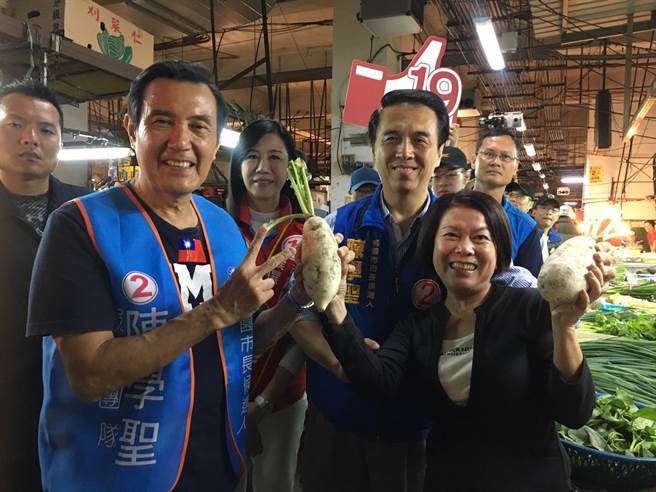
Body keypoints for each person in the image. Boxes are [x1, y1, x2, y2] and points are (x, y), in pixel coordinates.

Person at [26, 60, 313, 492]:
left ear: (215, 142)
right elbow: (89, 375)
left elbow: (238, 343)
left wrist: (296, 299)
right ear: (131, 130)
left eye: (199, 126)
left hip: (217, 467)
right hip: (115, 474)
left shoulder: (222, 229)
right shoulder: (80, 226)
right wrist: (215, 312)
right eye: (162, 121)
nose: (181, 141)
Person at [290, 89, 540, 492]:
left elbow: (513, 283)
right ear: (374, 149)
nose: (404, 151)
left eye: (420, 140)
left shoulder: (455, 232)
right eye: (391, 138)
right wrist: (341, 365)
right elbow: (298, 312)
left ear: (439, 152)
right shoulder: (335, 227)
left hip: (419, 432)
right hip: (335, 422)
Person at [318, 190, 604, 492]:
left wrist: (564, 327)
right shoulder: (418, 325)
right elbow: (376, 379)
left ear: (498, 250)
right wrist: (336, 308)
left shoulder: (531, 307)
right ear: (432, 246)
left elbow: (574, 412)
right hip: (447, 479)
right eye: (451, 235)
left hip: (533, 480)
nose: (464, 248)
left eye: (480, 238)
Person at [0, 79, 88, 492]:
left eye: (45, 129)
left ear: (60, 142)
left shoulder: (87, 213)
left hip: (80, 408)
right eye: (15, 124)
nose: (29, 138)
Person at [226, 119, 308, 492]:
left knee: (276, 484)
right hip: (222, 395)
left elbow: (311, 324)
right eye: (252, 156)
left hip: (284, 393)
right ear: (238, 165)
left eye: (275, 157)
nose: (263, 167)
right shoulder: (215, 226)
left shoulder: (308, 231)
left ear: (290, 167)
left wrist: (264, 401)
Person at [472, 128, 544, 276]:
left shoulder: (525, 226)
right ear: (474, 160)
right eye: (489, 154)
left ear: (515, 167)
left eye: (505, 157)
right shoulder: (446, 210)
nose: (496, 162)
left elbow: (530, 285)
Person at [531, 195, 562, 259]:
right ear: (533, 212)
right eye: (544, 208)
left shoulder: (559, 242)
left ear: (558, 217)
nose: (549, 212)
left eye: (554, 210)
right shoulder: (524, 236)